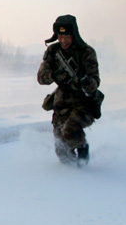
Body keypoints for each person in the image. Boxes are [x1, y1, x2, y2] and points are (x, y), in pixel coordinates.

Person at [37, 14, 101, 165]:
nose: (64, 40)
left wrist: (86, 82)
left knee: (71, 130)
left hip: (84, 103)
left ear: (74, 35)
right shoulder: (53, 51)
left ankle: (84, 165)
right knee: (62, 150)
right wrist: (54, 75)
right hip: (61, 104)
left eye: (67, 36)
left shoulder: (86, 52)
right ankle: (70, 176)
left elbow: (95, 80)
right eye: (60, 36)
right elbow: (41, 77)